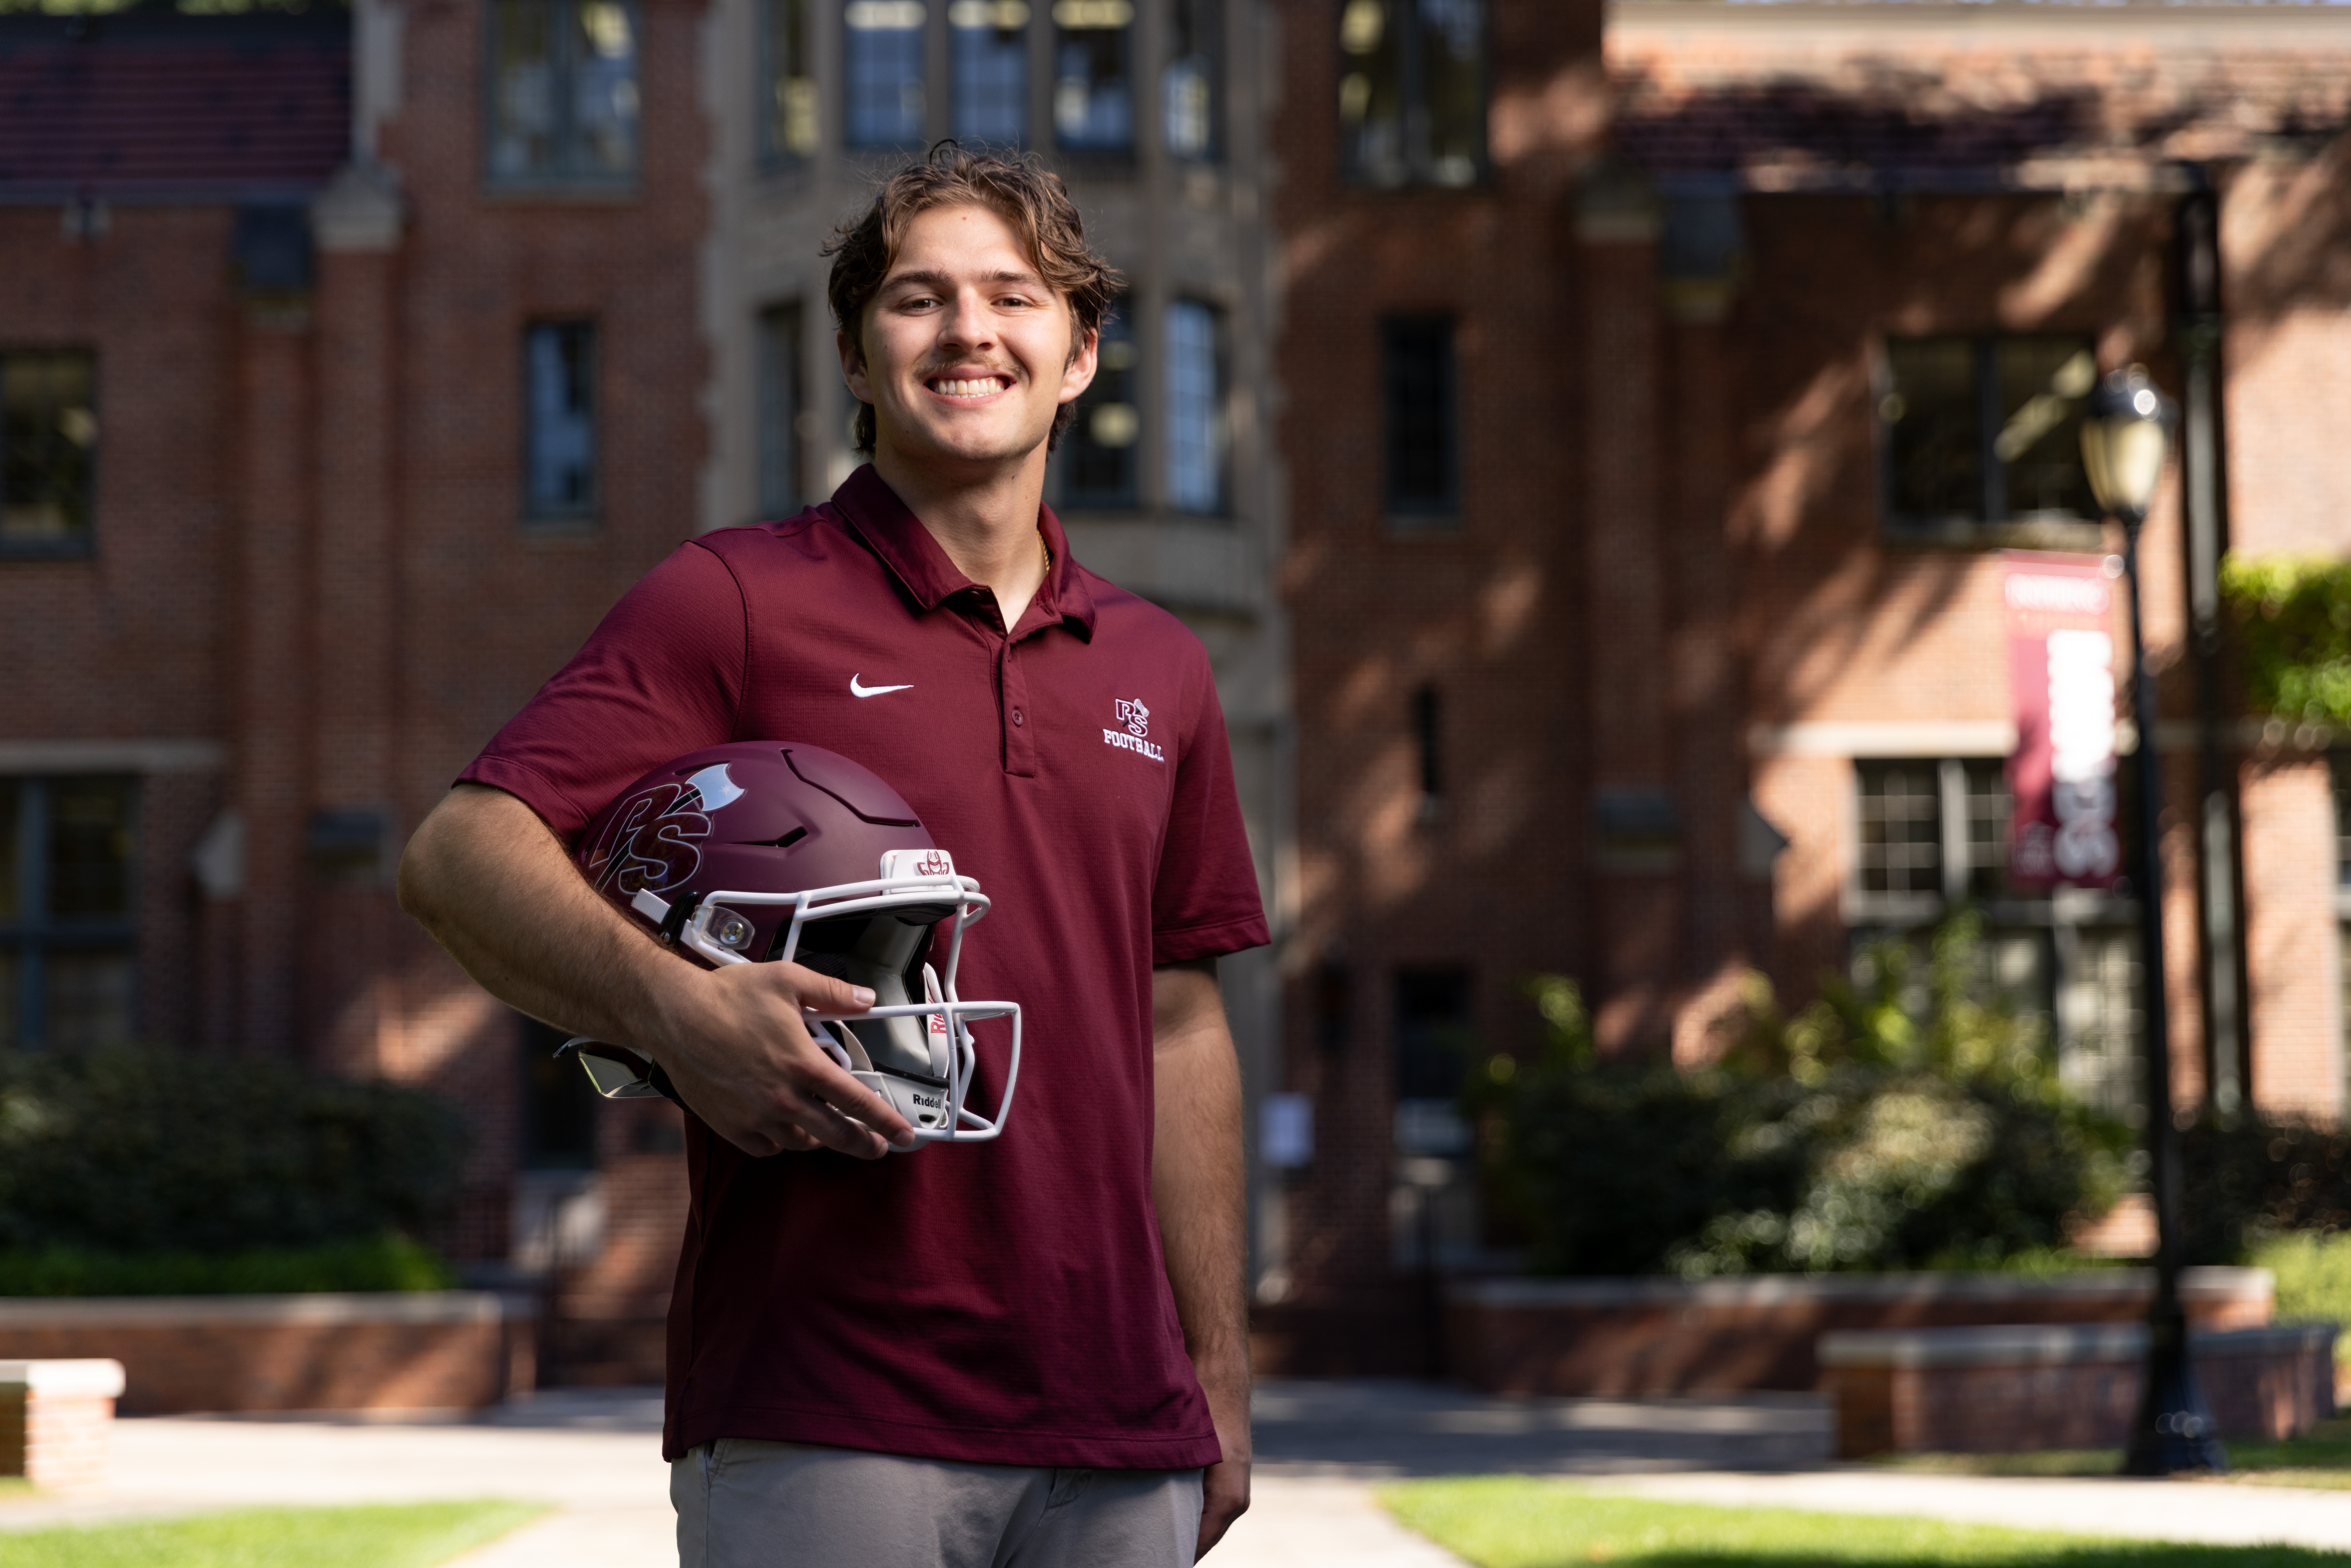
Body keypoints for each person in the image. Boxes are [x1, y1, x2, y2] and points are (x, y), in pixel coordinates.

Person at [397, 145, 1266, 1567]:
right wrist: (671, 1005)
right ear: (861, 360)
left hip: (1124, 1428)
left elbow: (1178, 1024)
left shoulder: (1163, 666)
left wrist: (1218, 1376)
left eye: (1014, 297)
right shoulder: (733, 598)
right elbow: (456, 854)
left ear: (1081, 353)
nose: (969, 331)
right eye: (918, 300)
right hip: (826, 1407)